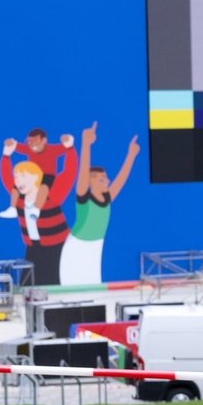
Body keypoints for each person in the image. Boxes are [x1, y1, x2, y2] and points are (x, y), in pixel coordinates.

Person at [60, 122, 141, 286]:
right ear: (90, 181)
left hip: (95, 248)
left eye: (106, 178)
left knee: (93, 289)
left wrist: (131, 155)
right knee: (72, 289)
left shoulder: (107, 198)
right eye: (102, 179)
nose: (107, 181)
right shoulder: (84, 197)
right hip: (77, 247)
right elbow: (83, 172)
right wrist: (86, 144)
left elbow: (121, 178)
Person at [0, 148, 74, 286]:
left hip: (57, 247)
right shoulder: (19, 200)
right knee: (28, 284)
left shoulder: (52, 196)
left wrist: (70, 150)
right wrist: (6, 155)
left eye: (23, 176)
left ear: (35, 177)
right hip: (33, 248)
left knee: (56, 282)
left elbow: (69, 173)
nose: (18, 180)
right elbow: (5, 177)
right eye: (16, 177)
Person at [0, 128, 73, 218]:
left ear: (44, 140)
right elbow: (15, 145)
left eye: (35, 141)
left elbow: (66, 147)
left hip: (47, 175)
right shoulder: (29, 148)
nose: (33, 144)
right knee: (16, 186)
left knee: (44, 186)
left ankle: (37, 209)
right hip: (31, 174)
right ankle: (13, 208)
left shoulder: (52, 149)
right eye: (30, 141)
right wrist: (9, 142)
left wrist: (67, 140)